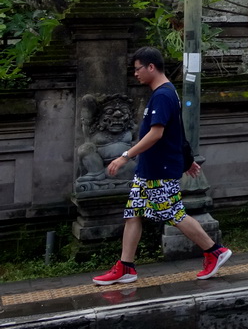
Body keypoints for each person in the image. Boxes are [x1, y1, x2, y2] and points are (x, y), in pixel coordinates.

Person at [92, 47, 232, 284]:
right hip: (149, 168)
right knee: (133, 213)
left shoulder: (163, 95)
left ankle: (214, 251)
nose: (135, 74)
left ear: (151, 67)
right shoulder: (164, 94)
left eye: (137, 69)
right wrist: (187, 161)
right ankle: (126, 266)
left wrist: (125, 155)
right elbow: (178, 133)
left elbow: (157, 134)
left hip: (158, 169)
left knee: (173, 213)